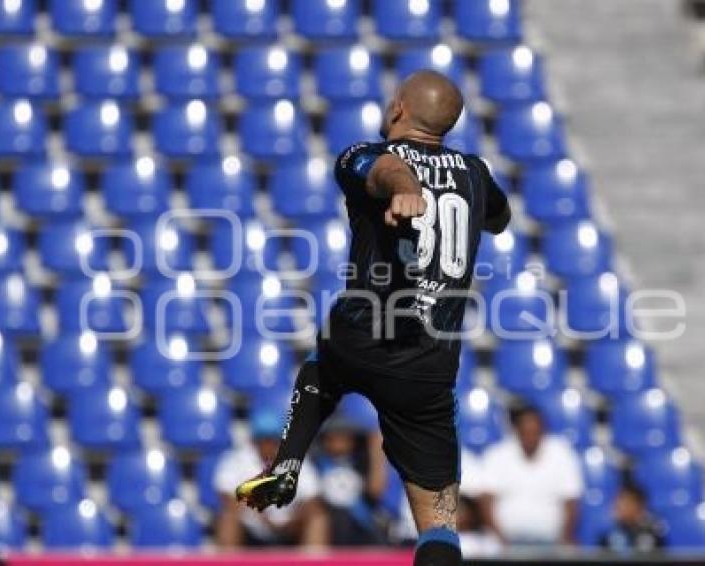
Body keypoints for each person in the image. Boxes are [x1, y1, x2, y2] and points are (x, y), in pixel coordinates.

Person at [235, 69, 511, 566]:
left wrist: (405, 186)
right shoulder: (476, 172)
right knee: (440, 521)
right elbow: (499, 215)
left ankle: (287, 464)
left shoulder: (358, 155)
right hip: (428, 368)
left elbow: (382, 169)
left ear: (398, 109)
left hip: (362, 335)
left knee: (323, 367)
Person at [215, 406, 328, 548]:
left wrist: (294, 519)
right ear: (255, 441)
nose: (268, 445)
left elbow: (312, 499)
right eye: (263, 440)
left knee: (317, 517)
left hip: (291, 527)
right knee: (228, 518)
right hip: (251, 530)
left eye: (273, 439)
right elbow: (227, 497)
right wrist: (259, 515)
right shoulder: (237, 460)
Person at [478, 404, 583, 547]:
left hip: (552, 543)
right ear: (516, 431)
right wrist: (501, 540)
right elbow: (485, 502)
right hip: (505, 543)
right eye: (526, 432)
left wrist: (564, 539)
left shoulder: (562, 454)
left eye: (535, 432)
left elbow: (571, 501)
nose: (531, 437)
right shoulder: (497, 455)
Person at [313, 413, 387, 545]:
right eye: (332, 437)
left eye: (343, 437)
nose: (338, 443)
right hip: (330, 526)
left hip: (360, 526)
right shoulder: (316, 463)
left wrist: (376, 451)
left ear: (352, 440)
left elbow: (375, 490)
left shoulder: (361, 464)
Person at [599, 484, 666, 554]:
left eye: (625, 501)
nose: (617, 505)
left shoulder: (653, 535)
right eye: (617, 500)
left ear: (639, 505)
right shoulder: (607, 535)